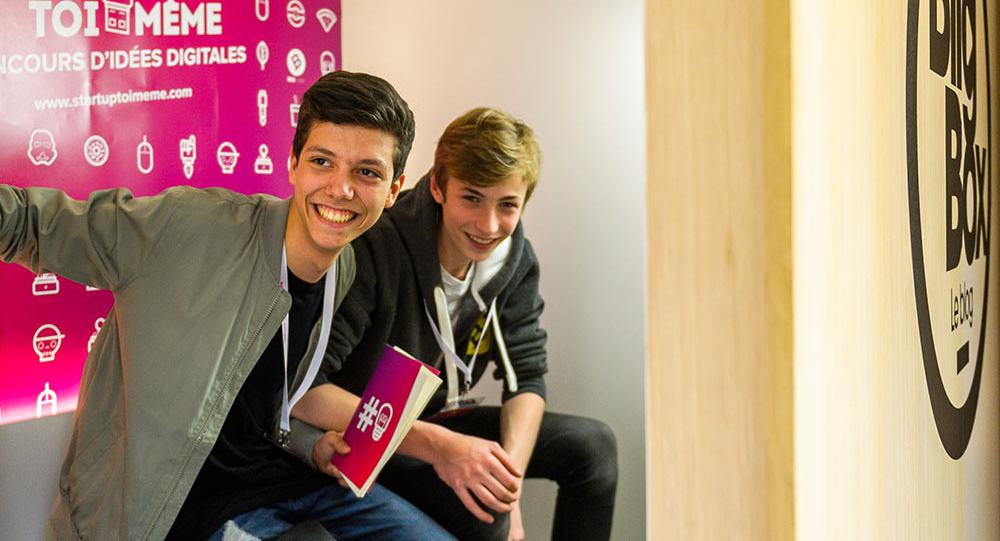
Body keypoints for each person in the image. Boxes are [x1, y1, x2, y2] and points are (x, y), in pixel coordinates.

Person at [0, 71, 456, 541]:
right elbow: (34, 224)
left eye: (367, 173)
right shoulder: (192, 226)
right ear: (293, 164)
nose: (341, 189)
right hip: (178, 507)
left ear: (394, 189)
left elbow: (263, 402)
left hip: (283, 475)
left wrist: (311, 445)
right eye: (322, 162)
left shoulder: (344, 267)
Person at [293, 107, 619, 541]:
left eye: (507, 205)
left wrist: (507, 484)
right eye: (471, 198)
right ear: (437, 186)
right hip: (363, 433)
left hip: (439, 420)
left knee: (593, 447)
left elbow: (527, 378)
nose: (488, 225)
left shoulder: (514, 259)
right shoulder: (377, 247)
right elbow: (305, 391)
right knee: (486, 511)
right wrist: (442, 449)